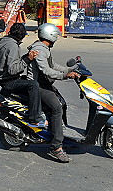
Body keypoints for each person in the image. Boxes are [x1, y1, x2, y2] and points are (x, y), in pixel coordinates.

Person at [28, 23, 80, 163]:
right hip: (36, 85)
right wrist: (65, 76)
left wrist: (69, 70)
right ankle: (56, 147)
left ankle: (58, 133)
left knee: (62, 104)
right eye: (55, 36)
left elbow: (53, 65)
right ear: (49, 35)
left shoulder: (43, 47)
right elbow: (46, 70)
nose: (56, 38)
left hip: (43, 83)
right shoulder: (40, 49)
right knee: (57, 108)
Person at [0, 22, 45, 128]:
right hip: (9, 81)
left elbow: (14, 61)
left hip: (5, 79)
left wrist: (27, 56)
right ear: (21, 36)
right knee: (34, 85)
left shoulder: (6, 42)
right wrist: (28, 59)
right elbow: (12, 69)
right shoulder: (13, 46)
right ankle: (34, 119)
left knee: (29, 80)